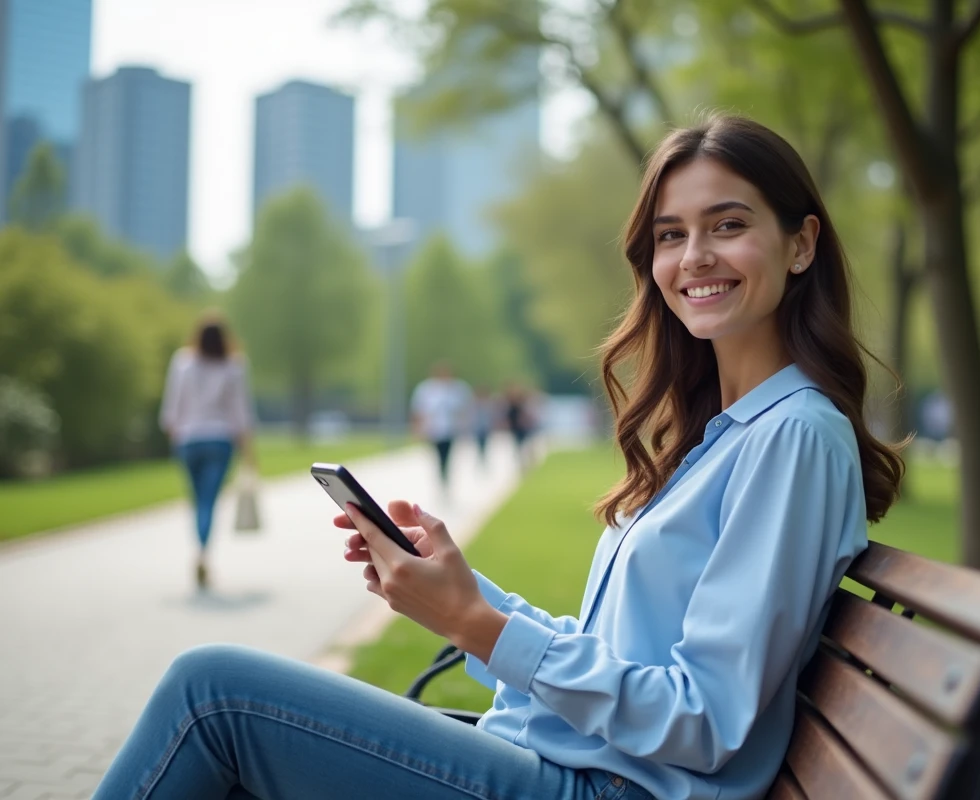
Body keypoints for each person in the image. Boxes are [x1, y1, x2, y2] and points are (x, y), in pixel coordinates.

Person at [95, 114, 905, 800]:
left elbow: (704, 720)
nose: (693, 257)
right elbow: (621, 657)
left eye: (727, 225)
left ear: (800, 245)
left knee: (211, 696)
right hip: (559, 759)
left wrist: (476, 627)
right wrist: (459, 594)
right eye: (670, 235)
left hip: (601, 786)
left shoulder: (794, 436)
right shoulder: (720, 437)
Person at [158, 313, 256, 591]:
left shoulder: (183, 362)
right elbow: (241, 412)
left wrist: (175, 435)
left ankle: (200, 550)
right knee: (209, 501)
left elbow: (171, 407)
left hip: (188, 440)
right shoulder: (234, 366)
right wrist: (249, 452)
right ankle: (203, 553)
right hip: (220, 440)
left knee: (197, 500)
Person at [410, 361, 472, 495]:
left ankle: (445, 478)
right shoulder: (426, 389)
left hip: (451, 430)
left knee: (447, 456)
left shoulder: (458, 389)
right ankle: (441, 477)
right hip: (434, 430)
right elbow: (419, 410)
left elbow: (465, 410)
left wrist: (464, 427)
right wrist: (418, 428)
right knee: (438, 456)